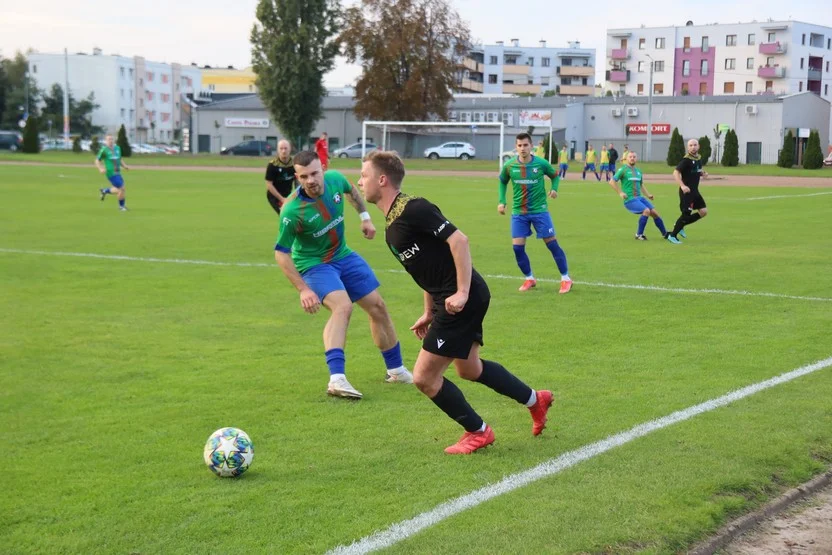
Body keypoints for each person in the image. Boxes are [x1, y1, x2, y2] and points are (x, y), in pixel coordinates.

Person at [358, 150, 554, 454]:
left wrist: (461, 293)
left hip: (464, 298)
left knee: (424, 377)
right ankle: (534, 400)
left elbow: (458, 241)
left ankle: (478, 432)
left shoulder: (413, 209)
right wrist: (428, 311)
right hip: (450, 299)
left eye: (364, 175)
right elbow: (430, 267)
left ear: (382, 179)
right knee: (469, 369)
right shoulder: (393, 223)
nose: (359, 182)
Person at [274, 151, 412, 399]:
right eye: (304, 176)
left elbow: (353, 192)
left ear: (323, 169)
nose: (311, 180)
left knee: (378, 307)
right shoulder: (292, 211)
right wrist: (303, 289)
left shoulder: (336, 179)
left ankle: (397, 370)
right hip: (314, 264)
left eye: (315, 173)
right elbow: (281, 254)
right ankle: (337, 379)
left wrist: (365, 218)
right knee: (343, 306)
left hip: (343, 255)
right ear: (297, 176)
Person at [499, 133, 572, 293]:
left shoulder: (541, 163)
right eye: (519, 145)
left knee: (552, 245)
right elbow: (503, 181)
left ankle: (566, 278)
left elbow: (555, 176)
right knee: (517, 249)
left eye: (525, 145)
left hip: (539, 211)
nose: (522, 148)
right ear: (516, 147)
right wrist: (502, 201)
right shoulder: (510, 165)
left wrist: (554, 189)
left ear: (531, 146)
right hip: (519, 212)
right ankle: (529, 278)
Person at [609, 151, 671, 241]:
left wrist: (648, 194)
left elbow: (641, 185)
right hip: (629, 199)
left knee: (655, 213)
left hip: (639, 198)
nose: (632, 158)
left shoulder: (638, 171)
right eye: (630, 157)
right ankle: (639, 234)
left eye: (634, 156)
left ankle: (665, 234)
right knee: (646, 211)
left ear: (636, 159)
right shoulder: (623, 170)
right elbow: (611, 181)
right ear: (626, 159)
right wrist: (620, 193)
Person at [667, 138, 709, 243]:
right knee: (686, 214)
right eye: (690, 145)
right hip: (687, 192)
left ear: (698, 146)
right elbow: (675, 173)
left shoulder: (698, 159)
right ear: (687, 147)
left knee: (703, 211)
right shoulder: (686, 160)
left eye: (695, 145)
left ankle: (680, 225)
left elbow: (695, 170)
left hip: (695, 191)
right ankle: (672, 235)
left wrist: (703, 173)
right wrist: (682, 186)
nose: (693, 147)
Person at [96, 134, 130, 211]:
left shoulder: (117, 148)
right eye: (108, 139)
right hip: (111, 173)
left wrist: (124, 166)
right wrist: (100, 169)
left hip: (118, 172)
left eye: (111, 139)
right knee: (122, 188)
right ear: (106, 141)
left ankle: (104, 191)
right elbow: (97, 160)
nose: (110, 141)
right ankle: (121, 207)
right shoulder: (104, 150)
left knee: (119, 189)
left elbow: (119, 159)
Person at [264, 139, 296, 215]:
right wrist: (282, 199)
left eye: (285, 148)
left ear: (290, 149)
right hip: (274, 196)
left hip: (288, 195)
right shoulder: (273, 165)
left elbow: (297, 182)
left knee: (295, 216)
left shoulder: (294, 164)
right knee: (285, 215)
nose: (283, 151)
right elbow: (269, 184)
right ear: (278, 150)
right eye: (281, 148)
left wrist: (297, 195)